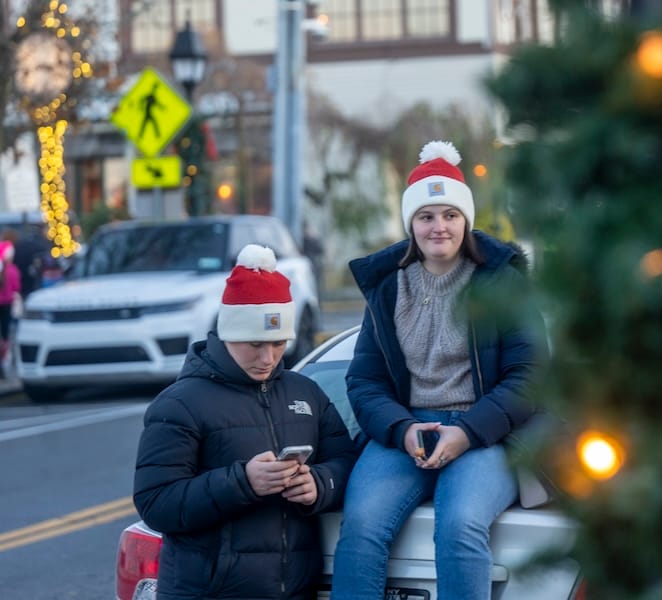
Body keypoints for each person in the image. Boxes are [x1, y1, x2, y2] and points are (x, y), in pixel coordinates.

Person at [330, 141, 547, 599]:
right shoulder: (388, 288)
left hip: (484, 433)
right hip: (406, 431)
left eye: (450, 214)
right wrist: (401, 429)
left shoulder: (501, 282)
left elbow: (529, 376)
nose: (439, 227)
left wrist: (467, 432)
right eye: (426, 216)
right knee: (362, 527)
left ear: (466, 219)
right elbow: (365, 380)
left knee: (460, 525)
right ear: (410, 224)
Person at [133, 243, 357, 600]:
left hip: (294, 591)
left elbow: (347, 462)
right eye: (255, 344)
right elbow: (155, 503)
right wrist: (243, 482)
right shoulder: (179, 403)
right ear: (228, 334)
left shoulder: (306, 392)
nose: (268, 358)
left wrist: (320, 484)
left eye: (279, 343)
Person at [0, 240, 21, 377]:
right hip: (7, 304)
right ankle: (5, 358)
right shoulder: (12, 270)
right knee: (7, 333)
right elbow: (16, 287)